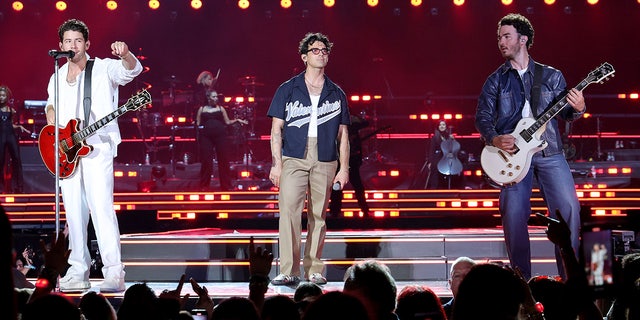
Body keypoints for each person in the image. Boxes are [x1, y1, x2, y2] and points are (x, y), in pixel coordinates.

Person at [475, 13, 584, 280]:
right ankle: (521, 284)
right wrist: (494, 138)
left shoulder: (551, 76)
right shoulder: (495, 81)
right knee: (513, 215)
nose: (501, 41)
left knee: (569, 209)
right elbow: (482, 117)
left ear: (523, 39)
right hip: (512, 155)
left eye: (506, 36)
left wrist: (579, 108)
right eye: (499, 37)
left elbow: (567, 113)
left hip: (549, 152)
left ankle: (571, 281)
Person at [44, 18, 143, 292]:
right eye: (68, 41)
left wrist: (126, 54)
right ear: (60, 46)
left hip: (97, 147)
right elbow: (51, 107)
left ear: (87, 44)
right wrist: (54, 128)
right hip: (68, 151)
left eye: (78, 41)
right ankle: (78, 270)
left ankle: (114, 272)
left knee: (101, 209)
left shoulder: (102, 68)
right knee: (74, 213)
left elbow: (132, 70)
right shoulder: (57, 76)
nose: (72, 45)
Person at [267, 32, 350, 286]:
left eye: (325, 50)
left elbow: (344, 135)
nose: (322, 53)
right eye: (316, 50)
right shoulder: (287, 89)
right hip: (293, 157)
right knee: (289, 212)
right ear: (304, 56)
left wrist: (344, 168)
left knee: (318, 215)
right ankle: (289, 270)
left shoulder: (336, 93)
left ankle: (314, 269)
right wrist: (277, 164)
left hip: (325, 157)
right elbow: (275, 130)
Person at [195, 89, 247, 191]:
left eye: (216, 97)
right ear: (208, 98)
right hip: (206, 137)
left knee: (223, 160)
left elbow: (227, 122)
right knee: (206, 161)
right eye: (214, 97)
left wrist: (237, 120)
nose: (216, 98)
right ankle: (204, 185)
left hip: (220, 136)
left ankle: (226, 185)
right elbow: (197, 123)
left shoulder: (221, 108)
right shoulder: (202, 109)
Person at [329, 114, 370, 217]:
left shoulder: (352, 124)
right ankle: (335, 211)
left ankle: (364, 210)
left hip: (351, 160)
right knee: (338, 187)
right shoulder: (334, 124)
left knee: (356, 186)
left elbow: (365, 123)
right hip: (340, 160)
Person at [0, 85, 30, 194]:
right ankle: (2, 187)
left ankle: (18, 186)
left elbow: (11, 124)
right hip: (1, 137)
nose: (1, 97)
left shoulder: (11, 110)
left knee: (16, 159)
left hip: (10, 135)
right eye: (0, 96)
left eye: (3, 95)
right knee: (1, 161)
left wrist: (20, 127)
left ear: (7, 97)